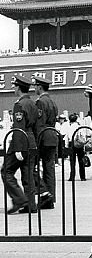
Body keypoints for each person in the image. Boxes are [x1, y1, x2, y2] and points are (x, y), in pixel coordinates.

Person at [1, 75, 39, 214]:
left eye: (15, 86)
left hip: (21, 143)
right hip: (31, 142)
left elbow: (19, 128)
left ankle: (19, 199)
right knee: (28, 175)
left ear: (18, 88)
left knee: (6, 171)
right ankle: (31, 205)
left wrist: (17, 148)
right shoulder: (33, 104)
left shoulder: (19, 105)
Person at [33, 75, 59, 209]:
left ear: (39, 87)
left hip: (43, 137)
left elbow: (39, 123)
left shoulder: (40, 102)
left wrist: (36, 142)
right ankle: (50, 198)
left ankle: (44, 193)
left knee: (32, 168)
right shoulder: (52, 101)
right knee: (49, 168)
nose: (34, 89)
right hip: (52, 136)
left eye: (35, 86)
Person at [66, 113, 87, 182]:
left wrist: (66, 146)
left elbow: (67, 137)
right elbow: (83, 135)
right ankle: (82, 177)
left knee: (72, 162)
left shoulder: (68, 127)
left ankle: (72, 177)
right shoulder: (79, 126)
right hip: (79, 144)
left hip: (71, 143)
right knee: (81, 161)